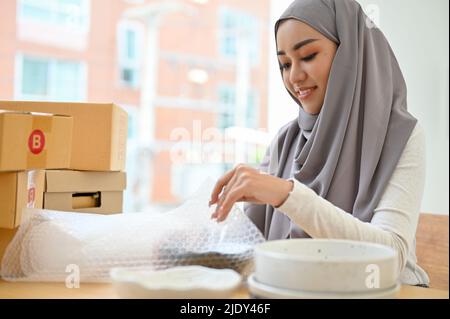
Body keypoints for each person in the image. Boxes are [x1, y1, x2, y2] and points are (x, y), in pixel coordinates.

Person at [209, 0, 429, 286]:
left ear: (351, 54)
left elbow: (390, 257)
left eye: (309, 55)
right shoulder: (285, 142)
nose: (294, 77)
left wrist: (287, 194)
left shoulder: (401, 136)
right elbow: (248, 251)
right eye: (285, 64)